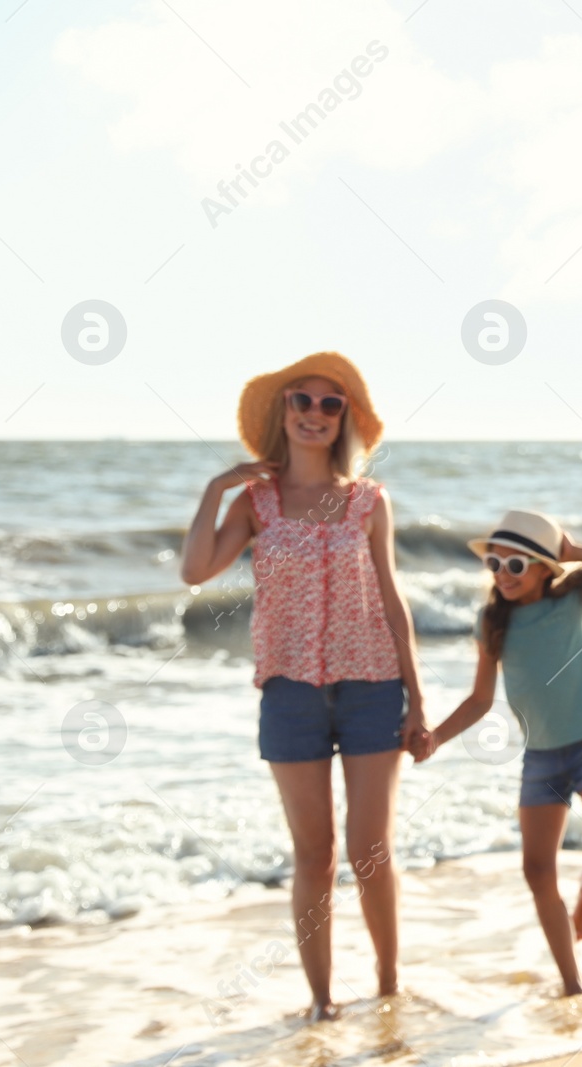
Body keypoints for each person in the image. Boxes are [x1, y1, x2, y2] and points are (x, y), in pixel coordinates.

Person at [180, 351, 426, 1021]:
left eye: (330, 403)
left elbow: (392, 596)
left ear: (343, 417)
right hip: (288, 692)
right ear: (281, 412)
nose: (314, 413)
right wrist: (216, 489)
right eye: (302, 400)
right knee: (313, 855)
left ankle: (388, 983)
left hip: (373, 685)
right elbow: (195, 570)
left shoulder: (368, 500)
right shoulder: (256, 502)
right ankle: (321, 1000)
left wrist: (419, 698)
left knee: (370, 849)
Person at [420, 510, 582, 997]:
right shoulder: (493, 622)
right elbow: (481, 699)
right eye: (495, 564)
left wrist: (574, 552)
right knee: (535, 869)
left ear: (545, 568)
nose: (503, 574)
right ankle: (572, 983)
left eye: (517, 565)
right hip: (542, 757)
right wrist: (436, 736)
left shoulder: (572, 602)